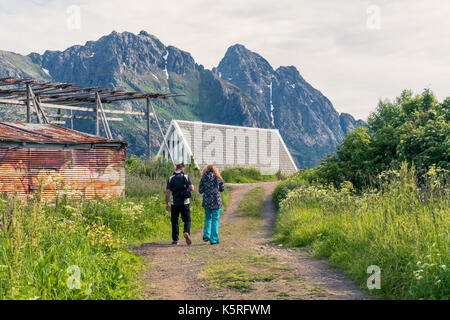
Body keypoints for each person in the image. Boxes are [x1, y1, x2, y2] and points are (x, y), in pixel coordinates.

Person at [165, 163, 195, 245]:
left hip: (174, 203)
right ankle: (186, 232)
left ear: (176, 169)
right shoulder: (186, 177)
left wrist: (166, 203)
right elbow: (192, 188)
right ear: (182, 169)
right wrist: (187, 188)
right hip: (185, 202)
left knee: (174, 221)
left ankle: (175, 240)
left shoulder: (171, 178)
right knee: (187, 220)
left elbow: (168, 192)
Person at [199, 165, 225, 245]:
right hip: (216, 201)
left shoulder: (203, 178)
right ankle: (213, 239)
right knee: (215, 220)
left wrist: (206, 189)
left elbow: (200, 190)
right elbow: (222, 189)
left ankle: (206, 235)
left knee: (207, 218)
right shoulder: (218, 178)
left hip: (207, 201)